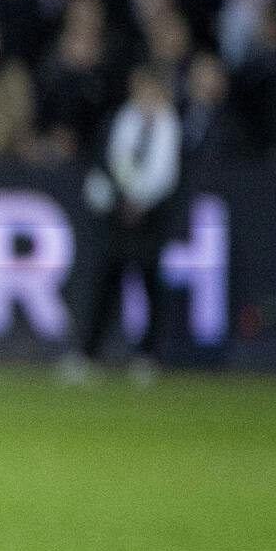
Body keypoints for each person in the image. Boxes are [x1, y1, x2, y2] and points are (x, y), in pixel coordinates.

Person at [61, 64, 183, 385]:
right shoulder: (124, 119)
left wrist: (141, 200)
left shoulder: (169, 125)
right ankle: (89, 353)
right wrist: (125, 197)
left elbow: (165, 175)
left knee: (149, 283)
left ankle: (148, 356)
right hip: (119, 213)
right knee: (106, 281)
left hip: (151, 217)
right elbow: (113, 159)